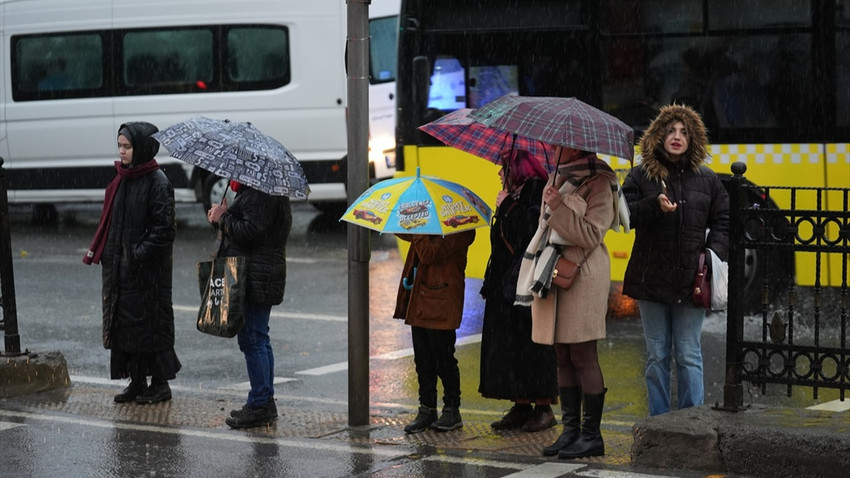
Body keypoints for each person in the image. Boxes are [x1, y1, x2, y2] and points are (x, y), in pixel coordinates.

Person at [516, 145, 628, 459]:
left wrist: (558, 207)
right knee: (561, 353)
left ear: (574, 145)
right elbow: (544, 227)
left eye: (556, 145)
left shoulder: (601, 181)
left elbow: (592, 234)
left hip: (583, 273)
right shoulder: (555, 176)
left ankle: (592, 436)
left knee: (583, 353)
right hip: (550, 271)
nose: (551, 149)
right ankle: (571, 432)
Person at [621, 104, 729, 417]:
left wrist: (711, 255)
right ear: (658, 136)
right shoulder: (641, 175)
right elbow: (624, 217)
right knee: (656, 354)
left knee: (688, 353)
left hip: (689, 280)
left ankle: (690, 419)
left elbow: (724, 219)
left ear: (693, 138)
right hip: (650, 277)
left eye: (684, 132)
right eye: (671, 131)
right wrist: (654, 206)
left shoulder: (706, 179)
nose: (677, 137)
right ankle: (659, 419)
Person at [83, 121, 180, 404]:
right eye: (120, 146)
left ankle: (160, 384)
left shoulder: (157, 182)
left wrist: (137, 254)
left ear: (142, 148)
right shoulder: (122, 179)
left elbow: (164, 230)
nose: (122, 152)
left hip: (148, 274)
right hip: (122, 271)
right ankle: (136, 381)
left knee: (152, 328)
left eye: (127, 147)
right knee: (127, 329)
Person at [479, 149, 558, 432]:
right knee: (512, 348)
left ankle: (543, 407)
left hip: (524, 283)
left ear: (519, 169)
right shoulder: (518, 195)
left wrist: (506, 208)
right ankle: (521, 404)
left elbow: (527, 235)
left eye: (504, 168)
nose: (500, 173)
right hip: (507, 284)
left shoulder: (537, 192)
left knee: (530, 345)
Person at [207, 179, 292, 429]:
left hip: (256, 275)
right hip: (257, 273)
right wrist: (221, 217)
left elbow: (251, 232)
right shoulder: (261, 189)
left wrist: (224, 217)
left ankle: (260, 404)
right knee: (258, 338)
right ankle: (264, 400)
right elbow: (244, 230)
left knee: (253, 339)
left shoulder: (261, 192)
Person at [395, 231, 476, 434]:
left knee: (443, 359)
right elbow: (406, 235)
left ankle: (452, 409)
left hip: (442, 302)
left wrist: (419, 230)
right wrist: (410, 221)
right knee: (423, 360)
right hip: (420, 299)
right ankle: (427, 409)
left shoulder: (458, 228)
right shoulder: (428, 224)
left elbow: (428, 253)